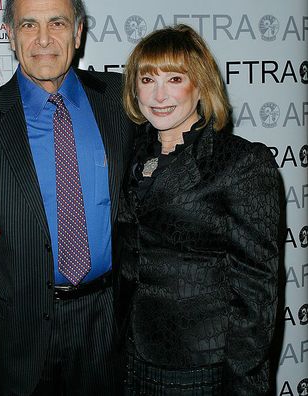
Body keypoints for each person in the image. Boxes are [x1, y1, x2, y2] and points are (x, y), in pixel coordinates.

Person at [0, 0, 133, 394]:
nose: (44, 39)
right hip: (20, 329)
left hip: (108, 323)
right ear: (11, 35)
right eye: (29, 25)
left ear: (78, 33)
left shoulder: (122, 101)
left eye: (58, 23)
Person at [117, 24, 281, 395]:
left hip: (202, 365)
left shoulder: (240, 162)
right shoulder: (131, 154)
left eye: (174, 78)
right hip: (131, 356)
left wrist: (243, 384)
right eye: (147, 79)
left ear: (201, 85)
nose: (159, 95)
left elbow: (257, 294)